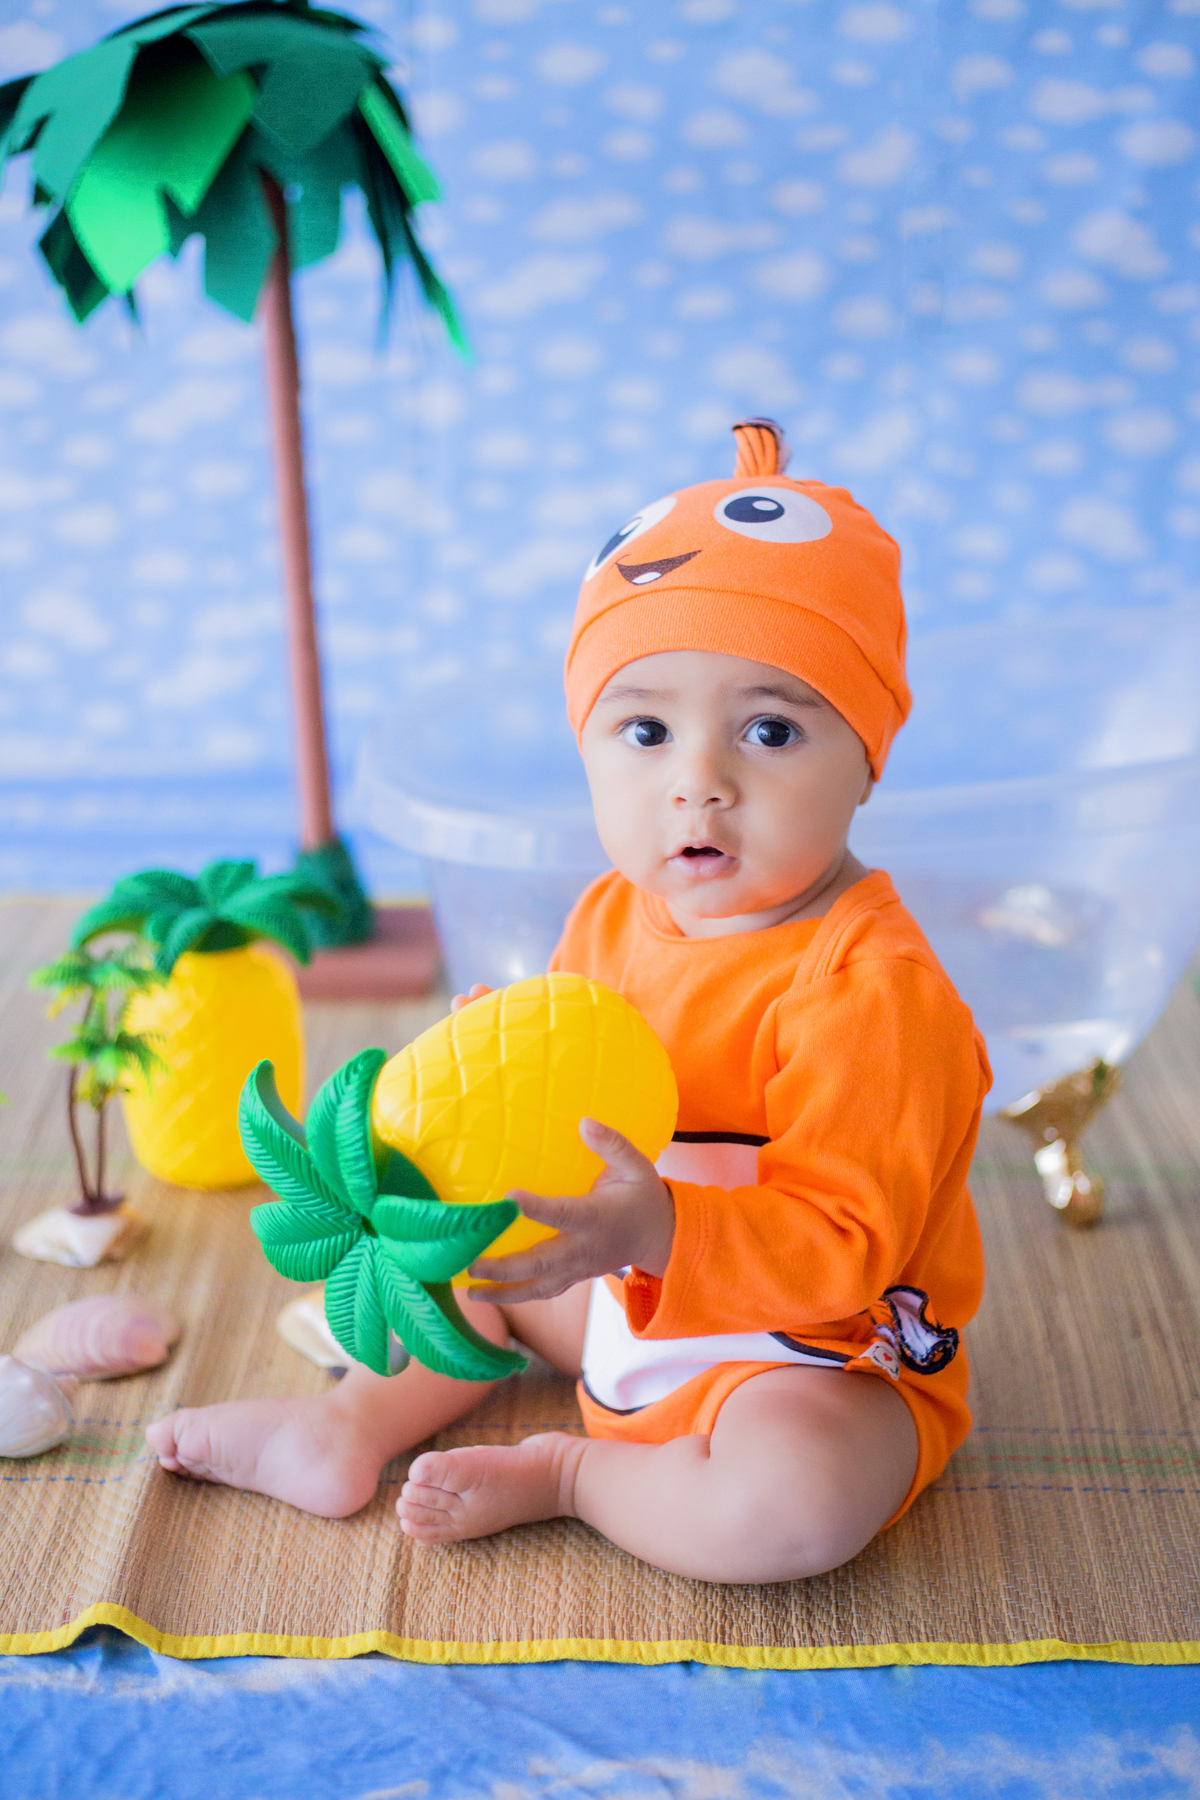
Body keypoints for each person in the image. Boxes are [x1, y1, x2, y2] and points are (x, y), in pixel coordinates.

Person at [147, 418, 989, 1583]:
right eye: (645, 728)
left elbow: (846, 1251)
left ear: (867, 756)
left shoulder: (868, 989)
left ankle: (573, 1476)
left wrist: (662, 1231)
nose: (701, 779)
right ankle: (342, 1427)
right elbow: (566, 1084)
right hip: (613, 1292)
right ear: (588, 749)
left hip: (808, 1356)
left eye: (771, 728)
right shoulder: (609, 913)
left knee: (790, 1507)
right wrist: (482, 1091)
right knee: (463, 1256)